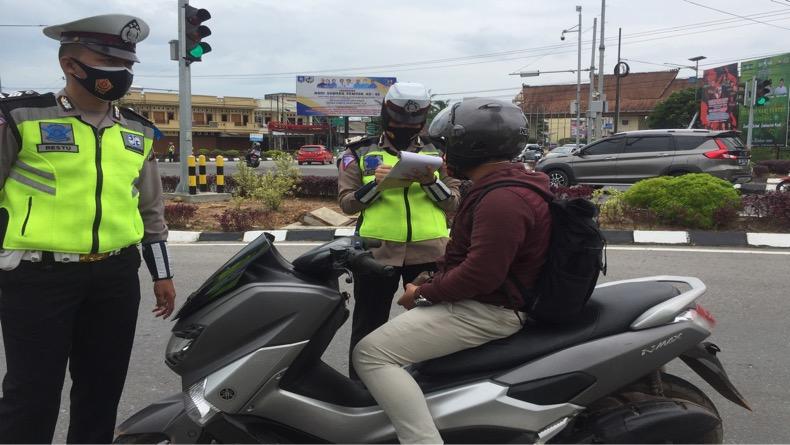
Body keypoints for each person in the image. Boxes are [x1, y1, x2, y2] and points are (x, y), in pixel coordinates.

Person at [0, 14, 176, 444]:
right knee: (32, 395)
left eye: (127, 64)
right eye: (107, 60)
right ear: (70, 64)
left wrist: (162, 273)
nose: (121, 74)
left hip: (115, 277)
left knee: (101, 391)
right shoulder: (21, 116)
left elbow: (151, 210)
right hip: (36, 277)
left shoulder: (137, 128)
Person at [352, 98, 553, 444]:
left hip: (489, 308)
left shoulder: (502, 199)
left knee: (369, 354)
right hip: (482, 296)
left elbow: (480, 275)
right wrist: (430, 282)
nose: (444, 157)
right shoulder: (507, 184)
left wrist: (424, 292)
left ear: (470, 148)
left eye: (448, 148)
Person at [337, 82, 460, 380]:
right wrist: (376, 186)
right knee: (368, 325)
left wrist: (431, 182)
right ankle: (361, 389)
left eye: (413, 120)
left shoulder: (439, 153)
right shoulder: (359, 151)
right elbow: (347, 204)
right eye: (399, 119)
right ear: (385, 114)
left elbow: (455, 205)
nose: (406, 126)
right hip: (376, 253)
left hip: (431, 252)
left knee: (433, 326)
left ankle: (433, 384)